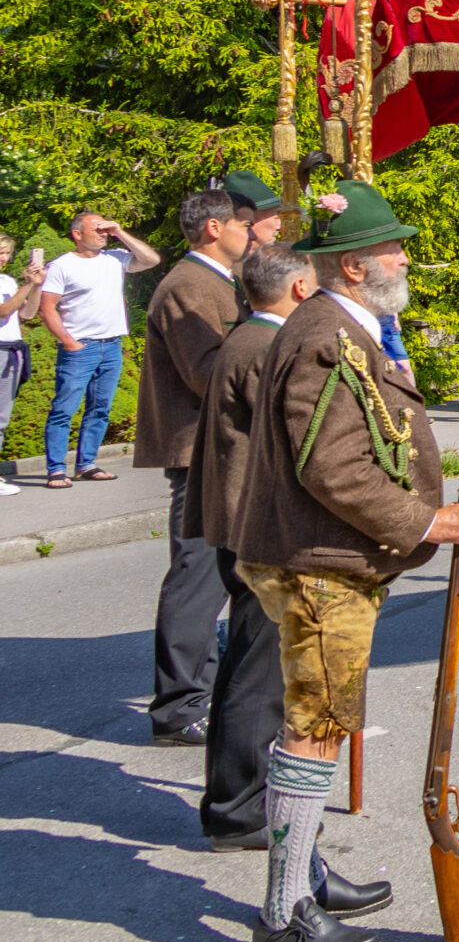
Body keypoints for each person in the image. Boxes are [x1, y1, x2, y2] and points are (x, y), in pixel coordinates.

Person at [228, 182, 459, 942]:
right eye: (391, 248)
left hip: (322, 556)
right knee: (318, 724)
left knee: (318, 717)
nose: (404, 256)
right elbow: (330, 463)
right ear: (351, 267)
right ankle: (284, 913)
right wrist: (425, 521)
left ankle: (303, 873)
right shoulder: (326, 335)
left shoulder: (338, 323)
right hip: (320, 562)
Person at [184, 241, 335, 854]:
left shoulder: (248, 337)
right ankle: (240, 807)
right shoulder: (266, 346)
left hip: (243, 520)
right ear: (299, 289)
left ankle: (237, 797)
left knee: (251, 665)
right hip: (258, 527)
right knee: (257, 672)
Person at [138, 184, 255, 746]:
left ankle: (216, 688)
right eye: (243, 224)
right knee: (198, 577)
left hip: (222, 445)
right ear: (215, 227)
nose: (250, 233)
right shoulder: (188, 284)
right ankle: (180, 705)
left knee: (230, 573)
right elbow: (207, 373)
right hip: (200, 448)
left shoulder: (214, 282)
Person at [37, 210, 160, 486]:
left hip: (112, 345)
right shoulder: (62, 265)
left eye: (105, 229)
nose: (103, 233)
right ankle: (56, 468)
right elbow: (47, 309)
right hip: (81, 348)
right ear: (77, 234)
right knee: (64, 409)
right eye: (98, 229)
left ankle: (86, 464)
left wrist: (119, 231)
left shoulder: (115, 259)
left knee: (100, 408)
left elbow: (152, 259)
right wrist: (70, 343)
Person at [0, 235, 47, 498]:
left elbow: (27, 315)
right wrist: (27, 285)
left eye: (6, 253)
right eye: (0, 252)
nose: (3, 258)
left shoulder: (7, 281)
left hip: (11, 352)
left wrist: (36, 286)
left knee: (1, 417)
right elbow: (4, 310)